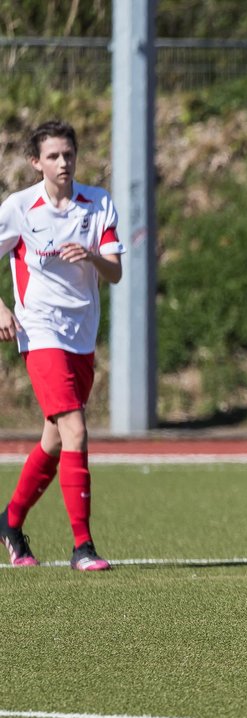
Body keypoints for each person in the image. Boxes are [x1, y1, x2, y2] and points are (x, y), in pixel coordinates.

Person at [0, 121, 123, 571]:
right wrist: (1, 309)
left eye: (68, 154)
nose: (63, 162)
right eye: (53, 156)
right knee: (75, 428)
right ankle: (83, 546)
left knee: (54, 439)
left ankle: (10, 523)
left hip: (81, 334)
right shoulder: (19, 207)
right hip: (40, 330)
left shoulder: (99, 202)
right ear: (36, 162)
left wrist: (90, 255)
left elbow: (115, 273)